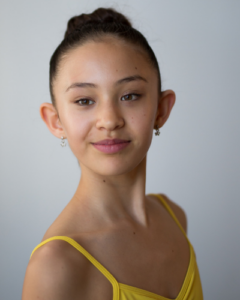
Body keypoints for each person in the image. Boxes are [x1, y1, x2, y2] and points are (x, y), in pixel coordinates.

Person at [22, 7, 203, 300]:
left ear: (161, 109)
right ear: (56, 122)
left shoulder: (175, 217)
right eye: (84, 100)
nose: (109, 119)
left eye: (129, 95)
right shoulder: (56, 266)